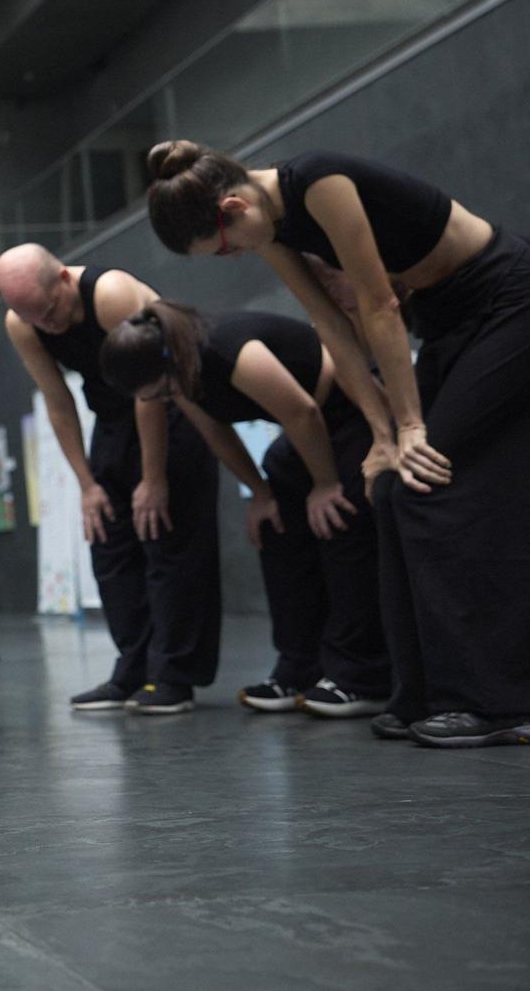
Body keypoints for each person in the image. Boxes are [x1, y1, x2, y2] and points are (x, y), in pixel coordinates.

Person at [145, 142, 530, 748]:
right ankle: (422, 692)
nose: (232, 255)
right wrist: (381, 434)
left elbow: (379, 304)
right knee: (392, 491)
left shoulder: (320, 180)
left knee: (434, 485)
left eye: (223, 247)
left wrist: (409, 425)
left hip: (512, 300)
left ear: (234, 208)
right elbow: (331, 327)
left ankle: (507, 704)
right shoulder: (270, 230)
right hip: (450, 321)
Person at [99, 302, 389, 718]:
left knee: (338, 518)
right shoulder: (181, 376)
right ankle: (299, 665)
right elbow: (216, 433)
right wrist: (260, 494)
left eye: (158, 393)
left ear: (166, 364)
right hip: (306, 430)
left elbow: (302, 411)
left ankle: (363, 676)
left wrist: (325, 484)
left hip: (346, 411)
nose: (161, 400)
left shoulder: (228, 349)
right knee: (276, 525)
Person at [0, 245, 223, 714]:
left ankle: (172, 676)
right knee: (109, 543)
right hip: (113, 421)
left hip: (170, 408)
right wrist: (86, 485)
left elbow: (150, 388)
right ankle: (133, 671)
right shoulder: (24, 323)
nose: (47, 325)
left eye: (50, 311)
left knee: (167, 540)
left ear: (63, 278)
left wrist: (154, 477)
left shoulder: (110, 292)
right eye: (34, 317)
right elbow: (58, 401)